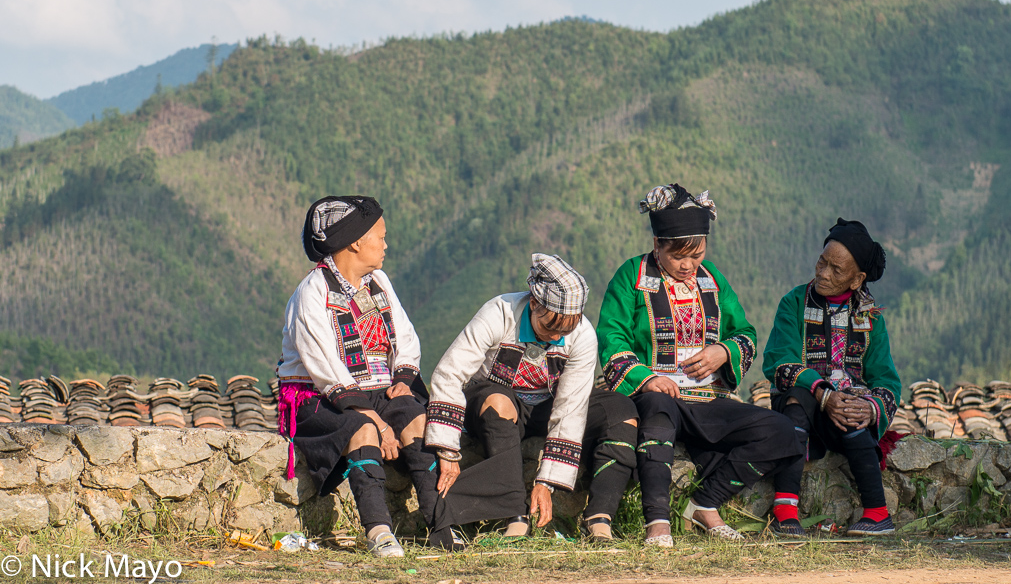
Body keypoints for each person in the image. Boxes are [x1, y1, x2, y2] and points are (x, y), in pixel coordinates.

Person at [596, 184, 805, 547]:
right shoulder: (631, 277)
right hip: (660, 397)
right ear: (658, 244)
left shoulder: (712, 281)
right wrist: (646, 379)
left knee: (782, 430)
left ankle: (705, 504)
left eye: (697, 254)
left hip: (709, 399)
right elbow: (611, 337)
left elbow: (745, 333)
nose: (689, 265)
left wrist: (724, 352)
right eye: (678, 256)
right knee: (659, 410)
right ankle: (657, 521)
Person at [276, 195, 448, 556]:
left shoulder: (379, 282)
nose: (386, 244)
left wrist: (402, 378)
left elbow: (405, 335)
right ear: (355, 241)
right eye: (380, 236)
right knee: (362, 429)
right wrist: (373, 418)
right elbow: (326, 370)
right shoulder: (313, 293)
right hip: (320, 398)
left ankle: (440, 521)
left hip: (379, 389)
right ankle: (379, 531)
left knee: (416, 420)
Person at [426, 253, 638, 541]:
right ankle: (514, 514)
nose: (555, 337)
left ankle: (599, 519)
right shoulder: (499, 313)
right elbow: (450, 373)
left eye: (565, 331)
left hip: (546, 406)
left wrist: (547, 481)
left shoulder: (583, 335)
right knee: (498, 403)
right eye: (549, 327)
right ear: (534, 304)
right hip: (493, 400)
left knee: (620, 409)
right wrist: (447, 449)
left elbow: (571, 407)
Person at [762, 218, 903, 536]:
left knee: (854, 413)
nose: (823, 273)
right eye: (821, 262)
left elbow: (886, 380)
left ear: (857, 279)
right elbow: (778, 360)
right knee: (797, 403)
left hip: (843, 410)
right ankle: (785, 511)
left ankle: (878, 514)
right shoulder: (795, 303)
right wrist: (823, 393)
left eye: (836, 270)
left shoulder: (870, 318)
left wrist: (869, 407)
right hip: (805, 401)